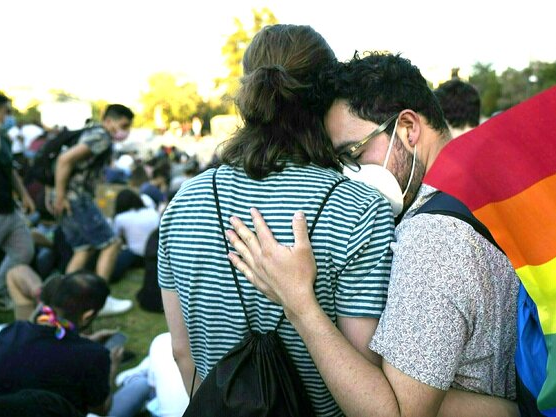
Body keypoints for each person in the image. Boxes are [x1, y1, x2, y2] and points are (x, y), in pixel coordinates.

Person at [227, 53, 519, 416]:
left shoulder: (432, 238)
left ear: (409, 128)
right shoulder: (491, 188)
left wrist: (299, 304)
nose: (352, 174)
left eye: (355, 153)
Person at [158, 24, 395, 417]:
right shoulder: (360, 210)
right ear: (328, 95)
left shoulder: (185, 201)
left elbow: (183, 352)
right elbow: (364, 378)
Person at [0, 271, 123, 416]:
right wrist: (112, 368)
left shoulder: (14, 331)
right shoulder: (94, 356)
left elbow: (46, 350)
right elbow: (100, 410)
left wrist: (85, 344)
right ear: (87, 316)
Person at [51, 103, 135, 315]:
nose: (125, 131)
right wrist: (60, 195)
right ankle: (100, 299)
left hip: (69, 197)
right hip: (76, 197)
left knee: (83, 249)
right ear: (108, 121)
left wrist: (56, 195)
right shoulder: (101, 136)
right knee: (111, 244)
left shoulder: (92, 133)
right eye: (123, 125)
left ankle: (62, 298)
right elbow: (64, 160)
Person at [0, 93, 34, 311]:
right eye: (5, 111)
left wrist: (25, 196)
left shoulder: (4, 137)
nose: (8, 116)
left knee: (23, 251)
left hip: (7, 208)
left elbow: (10, 170)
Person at [110, 189, 159, 283]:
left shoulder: (120, 218)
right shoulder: (153, 213)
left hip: (135, 255)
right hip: (154, 256)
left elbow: (115, 237)